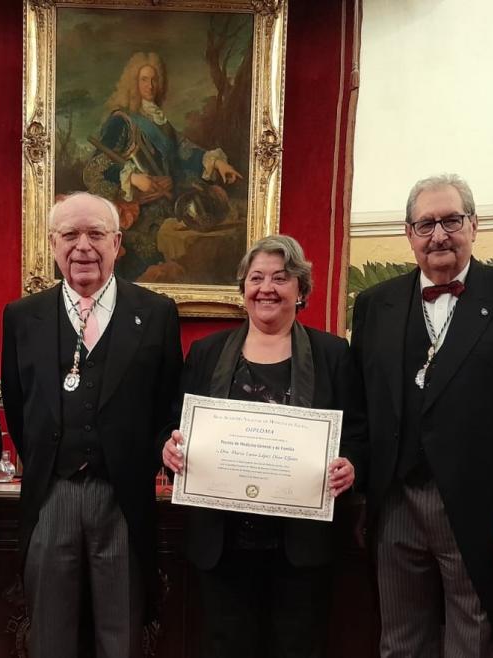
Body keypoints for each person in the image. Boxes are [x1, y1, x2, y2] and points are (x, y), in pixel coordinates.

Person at [349, 174, 493, 657]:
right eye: (425, 224)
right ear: (409, 234)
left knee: (474, 640)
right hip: (394, 501)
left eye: (451, 220)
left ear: (474, 225)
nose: (438, 234)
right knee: (399, 641)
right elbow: (359, 407)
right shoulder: (375, 304)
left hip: (476, 504)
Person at [160, 234, 365, 658]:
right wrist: (171, 448)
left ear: (301, 290)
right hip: (223, 545)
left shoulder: (333, 355)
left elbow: (359, 432)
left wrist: (353, 465)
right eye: (256, 278)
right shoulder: (206, 352)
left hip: (300, 545)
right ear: (243, 290)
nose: (266, 288)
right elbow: (175, 425)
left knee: (297, 647)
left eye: (281, 277)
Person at [1, 192, 183, 657]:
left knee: (121, 634)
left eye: (96, 234)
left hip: (123, 496)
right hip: (51, 494)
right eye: (70, 235)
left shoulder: (157, 313)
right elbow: (21, 409)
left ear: (118, 242)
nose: (83, 246)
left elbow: (168, 406)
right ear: (53, 243)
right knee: (49, 637)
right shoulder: (22, 316)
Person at [84, 51, 243, 280]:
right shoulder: (122, 121)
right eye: (144, 79)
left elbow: (186, 152)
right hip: (139, 222)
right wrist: (133, 179)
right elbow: (95, 168)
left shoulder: (162, 122)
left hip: (169, 209)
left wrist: (217, 163)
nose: (150, 85)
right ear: (133, 83)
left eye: (154, 79)